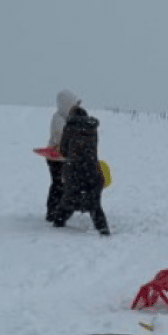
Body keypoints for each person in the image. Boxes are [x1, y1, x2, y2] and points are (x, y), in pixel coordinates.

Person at [51, 104, 110, 235]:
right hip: (92, 169)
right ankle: (103, 230)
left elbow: (64, 151)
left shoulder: (69, 127)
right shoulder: (93, 128)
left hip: (74, 170)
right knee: (95, 204)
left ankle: (57, 225)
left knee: (68, 200)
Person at [44, 89, 80, 222]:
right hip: (55, 158)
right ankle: (52, 212)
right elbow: (61, 138)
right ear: (66, 105)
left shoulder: (67, 118)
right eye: (73, 105)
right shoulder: (58, 119)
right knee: (58, 184)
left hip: (63, 158)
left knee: (62, 185)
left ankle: (59, 209)